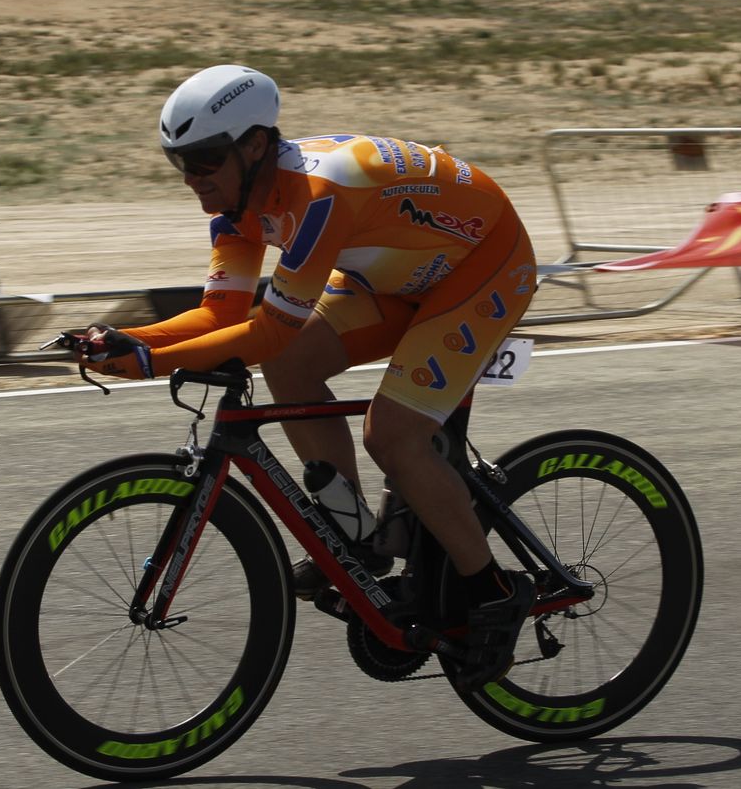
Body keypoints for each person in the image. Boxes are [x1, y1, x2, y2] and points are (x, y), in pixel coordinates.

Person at [69, 63, 577, 689]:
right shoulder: (239, 203)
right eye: (181, 164)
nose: (192, 180)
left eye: (203, 161)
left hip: (483, 268)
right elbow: (221, 312)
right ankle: (354, 536)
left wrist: (152, 360)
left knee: (392, 435)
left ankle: (494, 589)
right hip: (398, 272)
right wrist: (132, 341)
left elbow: (271, 327)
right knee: (290, 363)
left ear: (254, 146)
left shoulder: (317, 195)